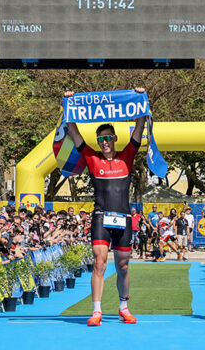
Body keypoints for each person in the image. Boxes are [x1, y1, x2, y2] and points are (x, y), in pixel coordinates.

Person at [64, 88, 146, 327]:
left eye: (109, 137)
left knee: (123, 265)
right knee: (99, 262)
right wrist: (69, 103)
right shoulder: (92, 158)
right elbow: (73, 130)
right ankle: (97, 311)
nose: (105, 142)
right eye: (101, 139)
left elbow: (140, 125)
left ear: (115, 139)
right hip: (101, 217)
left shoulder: (127, 156)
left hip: (123, 219)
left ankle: (123, 306)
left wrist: (141, 98)